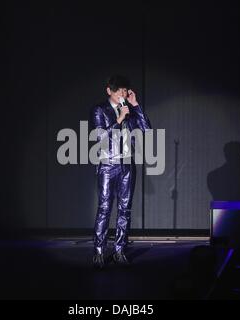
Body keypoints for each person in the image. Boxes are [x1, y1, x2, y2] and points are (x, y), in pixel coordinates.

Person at [90, 75, 151, 269]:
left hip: (127, 164)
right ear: (109, 91)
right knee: (105, 208)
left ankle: (119, 250)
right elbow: (100, 136)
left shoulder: (130, 110)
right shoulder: (100, 110)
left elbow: (147, 130)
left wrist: (136, 105)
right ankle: (99, 251)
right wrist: (119, 118)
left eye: (125, 91)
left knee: (125, 210)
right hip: (107, 164)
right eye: (119, 91)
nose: (122, 94)